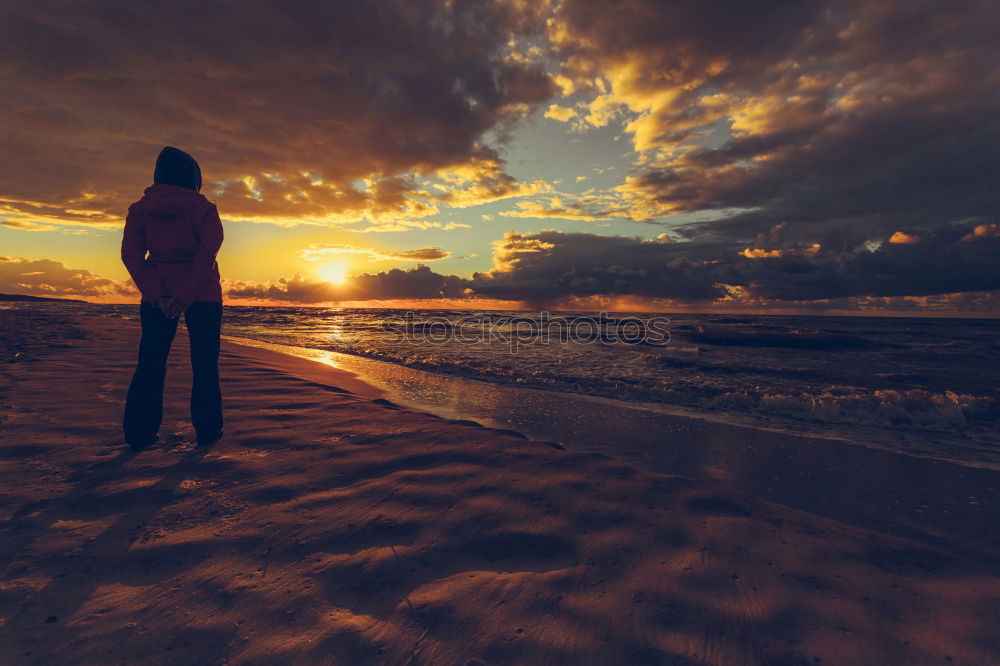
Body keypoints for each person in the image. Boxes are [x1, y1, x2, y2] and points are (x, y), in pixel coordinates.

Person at [121, 146, 224, 450]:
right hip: (202, 295)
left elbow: (132, 256)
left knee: (151, 362)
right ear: (194, 177)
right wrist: (181, 297)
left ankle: (139, 433)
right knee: (205, 363)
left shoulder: (140, 210)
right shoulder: (205, 210)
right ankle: (207, 431)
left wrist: (160, 295)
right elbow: (206, 257)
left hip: (159, 297)